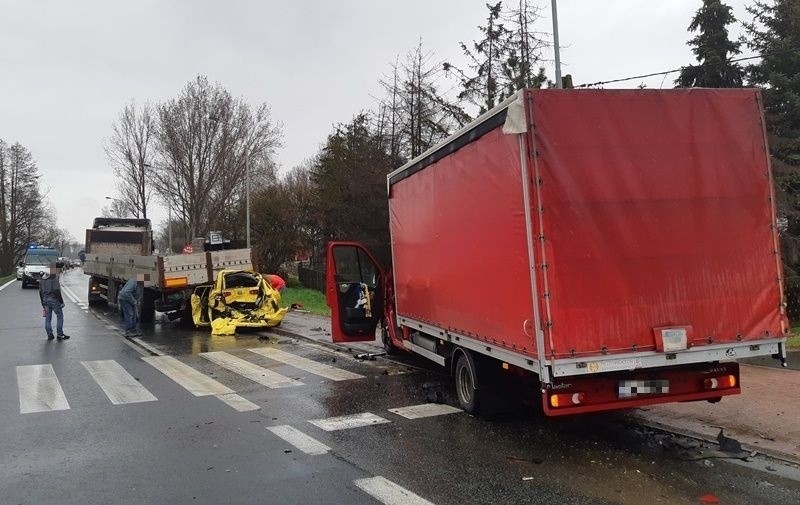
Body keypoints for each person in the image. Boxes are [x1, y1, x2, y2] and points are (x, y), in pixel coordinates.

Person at [39, 262, 69, 341]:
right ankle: (60, 334)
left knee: (48, 318)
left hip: (45, 300)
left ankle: (49, 334)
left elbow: (40, 292)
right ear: (54, 270)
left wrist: (42, 303)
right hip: (54, 300)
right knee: (60, 316)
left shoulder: (42, 279)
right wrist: (61, 302)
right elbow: (56, 290)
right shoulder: (54, 279)